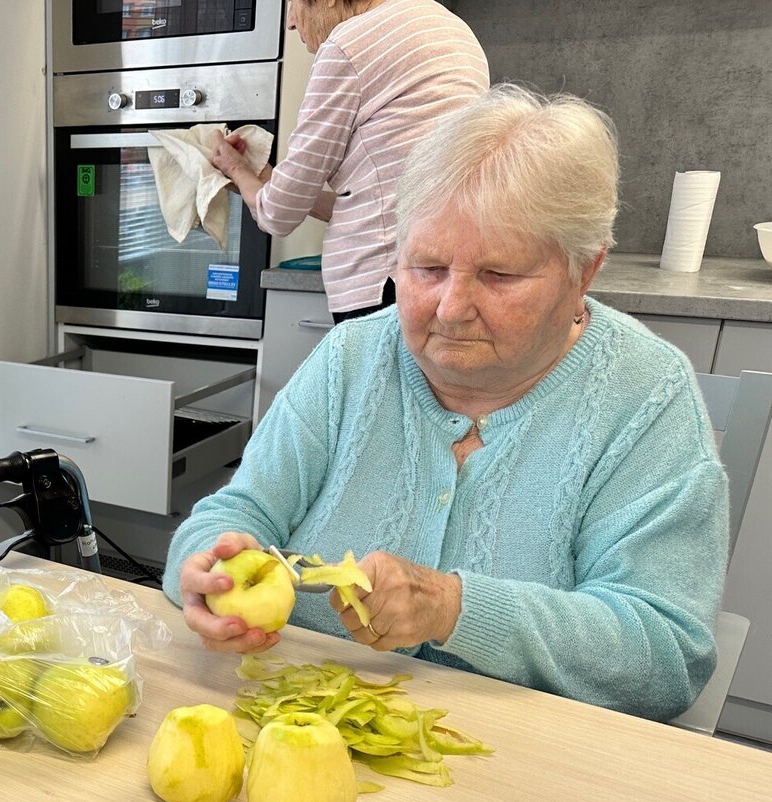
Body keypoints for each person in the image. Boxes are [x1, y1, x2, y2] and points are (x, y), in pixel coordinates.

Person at [167, 86, 730, 722]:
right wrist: (204, 568)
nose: (452, 307)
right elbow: (239, 512)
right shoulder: (352, 356)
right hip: (291, 721)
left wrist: (455, 608)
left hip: (521, 756)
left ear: (585, 271)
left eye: (499, 275)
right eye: (428, 268)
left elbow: (666, 653)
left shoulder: (645, 395)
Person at [214, 0, 488, 322]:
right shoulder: (454, 30)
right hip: (445, 277)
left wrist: (236, 170)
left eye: (294, 3)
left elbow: (278, 214)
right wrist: (268, 180)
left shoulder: (348, 44)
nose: (290, 22)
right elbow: (377, 203)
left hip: (381, 285)